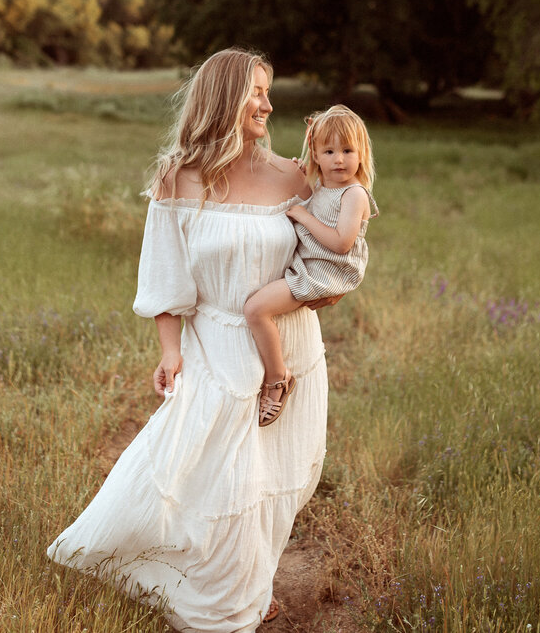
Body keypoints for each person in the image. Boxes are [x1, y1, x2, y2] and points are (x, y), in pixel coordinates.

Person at [47, 48, 338, 632]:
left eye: (268, 91)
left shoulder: (295, 176)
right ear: (225, 98)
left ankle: (245, 598)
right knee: (210, 477)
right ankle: (210, 605)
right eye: (256, 90)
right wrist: (169, 350)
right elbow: (165, 273)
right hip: (217, 343)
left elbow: (333, 247)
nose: (268, 103)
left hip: (289, 344)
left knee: (266, 481)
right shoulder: (180, 179)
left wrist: (328, 288)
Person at [244, 105, 378, 426]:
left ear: (362, 154)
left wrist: (302, 214)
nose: (339, 160)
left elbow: (341, 241)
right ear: (316, 154)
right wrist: (301, 176)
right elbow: (312, 198)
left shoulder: (354, 194)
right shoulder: (324, 186)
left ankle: (278, 379)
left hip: (323, 273)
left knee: (256, 309)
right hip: (313, 263)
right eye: (329, 151)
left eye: (348, 150)